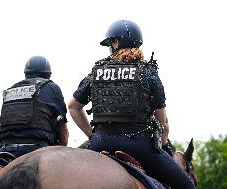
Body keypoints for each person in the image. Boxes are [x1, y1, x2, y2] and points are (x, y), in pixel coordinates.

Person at [68, 20, 195, 189]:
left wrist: (92, 135)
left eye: (109, 43)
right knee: (187, 186)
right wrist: (163, 144)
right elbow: (163, 122)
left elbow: (73, 107)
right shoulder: (148, 71)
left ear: (115, 42)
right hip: (138, 144)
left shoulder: (97, 71)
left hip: (100, 142)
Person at [0, 55, 68, 158]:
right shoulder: (52, 87)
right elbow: (62, 128)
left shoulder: (10, 90)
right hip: (37, 150)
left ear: (26, 73)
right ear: (48, 74)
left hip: (4, 150)